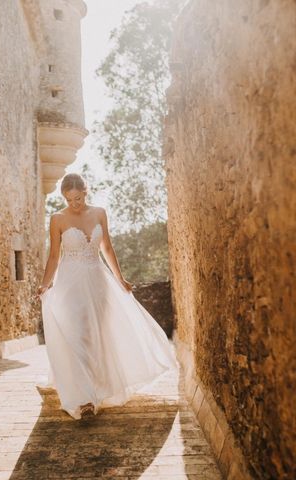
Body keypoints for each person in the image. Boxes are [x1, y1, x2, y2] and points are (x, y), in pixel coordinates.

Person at [37, 173, 177, 419]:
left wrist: (120, 280)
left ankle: (97, 385)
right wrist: (45, 284)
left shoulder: (99, 213)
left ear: (85, 191)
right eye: (69, 200)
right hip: (70, 283)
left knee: (95, 335)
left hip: (98, 281)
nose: (75, 204)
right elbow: (53, 256)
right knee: (77, 335)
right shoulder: (57, 219)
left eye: (78, 198)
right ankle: (84, 400)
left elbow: (108, 249)